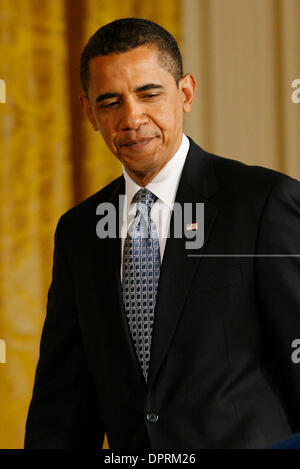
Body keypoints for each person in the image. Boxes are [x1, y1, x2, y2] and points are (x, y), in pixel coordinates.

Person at [25, 18, 300, 449]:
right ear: (88, 113)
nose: (132, 118)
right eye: (110, 101)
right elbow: (61, 405)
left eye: (149, 93)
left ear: (185, 93)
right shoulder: (79, 232)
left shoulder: (263, 203)